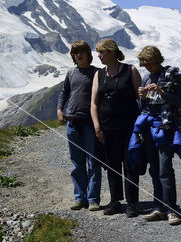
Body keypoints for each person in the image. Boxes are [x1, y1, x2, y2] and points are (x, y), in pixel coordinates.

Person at [135, 46, 181, 226]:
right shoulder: (146, 77)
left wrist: (162, 91)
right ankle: (159, 207)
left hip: (165, 127)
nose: (148, 67)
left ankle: (171, 209)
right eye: (145, 65)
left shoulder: (170, 75)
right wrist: (141, 97)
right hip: (149, 127)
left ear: (158, 60)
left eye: (150, 63)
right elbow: (143, 108)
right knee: (154, 168)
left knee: (165, 167)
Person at [90, 39, 142, 217]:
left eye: (102, 52)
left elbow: (141, 98)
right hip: (107, 127)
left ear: (112, 52)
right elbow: (94, 104)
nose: (99, 56)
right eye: (98, 52)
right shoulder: (99, 74)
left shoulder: (130, 71)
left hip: (129, 127)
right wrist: (97, 126)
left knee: (130, 164)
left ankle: (132, 203)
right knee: (111, 165)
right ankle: (115, 201)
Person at [57, 40, 102, 211]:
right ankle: (79, 197)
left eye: (81, 51)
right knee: (77, 163)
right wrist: (59, 109)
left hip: (90, 123)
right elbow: (64, 92)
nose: (79, 54)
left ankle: (93, 199)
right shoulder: (70, 73)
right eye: (76, 52)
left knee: (93, 162)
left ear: (88, 54)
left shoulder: (97, 73)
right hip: (72, 122)